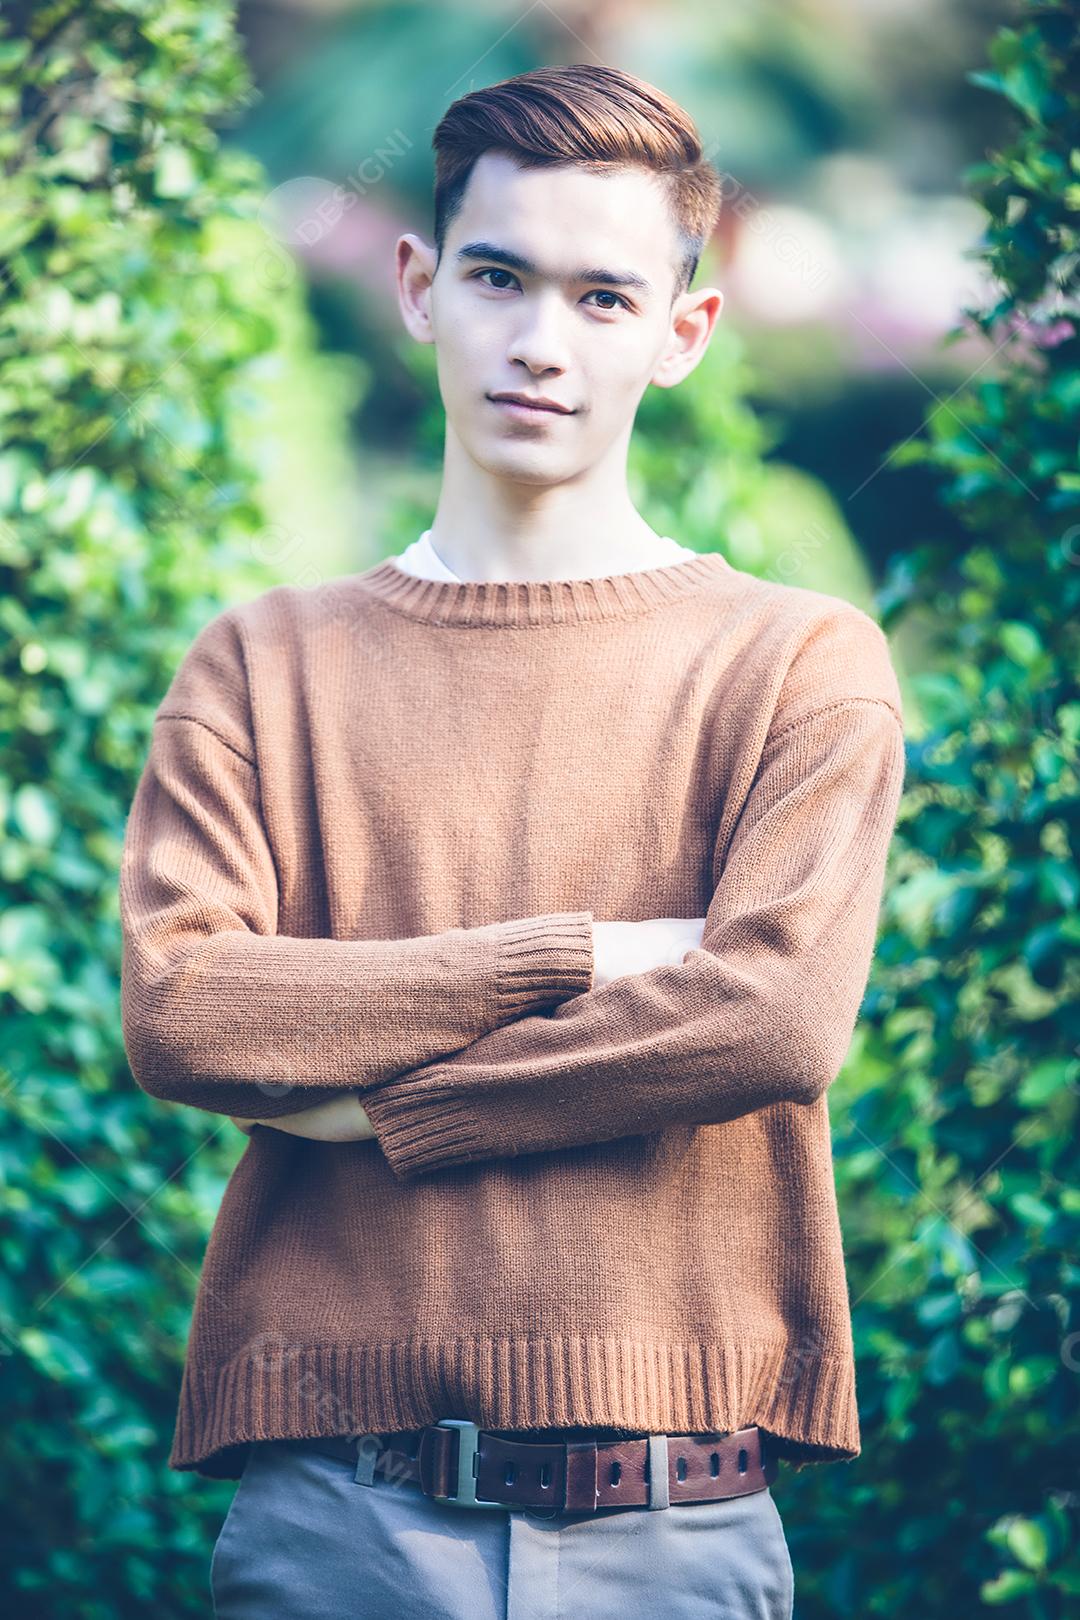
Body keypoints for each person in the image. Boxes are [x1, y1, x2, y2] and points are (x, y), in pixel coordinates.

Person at [119, 62, 907, 1620]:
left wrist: (386, 1109)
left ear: (683, 333)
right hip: (333, 1528)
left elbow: (773, 1018)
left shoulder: (800, 663)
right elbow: (190, 1014)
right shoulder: (259, 668)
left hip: (673, 1528)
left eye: (605, 297)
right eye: (498, 276)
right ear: (422, 287)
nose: (541, 341)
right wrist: (593, 956)